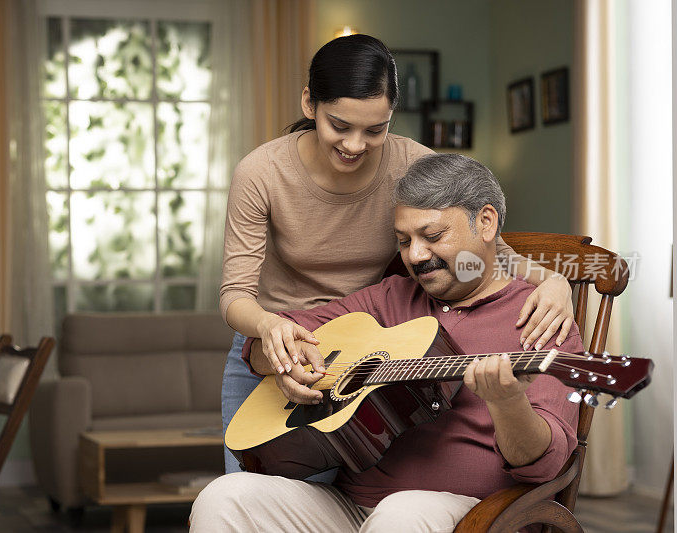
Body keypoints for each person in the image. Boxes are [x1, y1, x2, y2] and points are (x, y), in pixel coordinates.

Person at [219, 34, 575, 473]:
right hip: (275, 345)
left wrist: (552, 280)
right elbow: (234, 295)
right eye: (339, 125)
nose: (355, 145)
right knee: (252, 494)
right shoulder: (261, 172)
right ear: (309, 104)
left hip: (362, 352)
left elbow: (491, 250)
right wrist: (272, 330)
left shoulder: (410, 162)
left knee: (333, 493)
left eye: (375, 129)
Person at [194, 154, 582, 532]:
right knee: (224, 497)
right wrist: (284, 356)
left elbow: (544, 465)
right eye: (403, 240)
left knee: (400, 514)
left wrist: (508, 403)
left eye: (432, 236)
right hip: (348, 508)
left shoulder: (543, 320)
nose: (415, 256)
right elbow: (261, 345)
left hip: (468, 515)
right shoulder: (389, 297)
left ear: (485, 222)